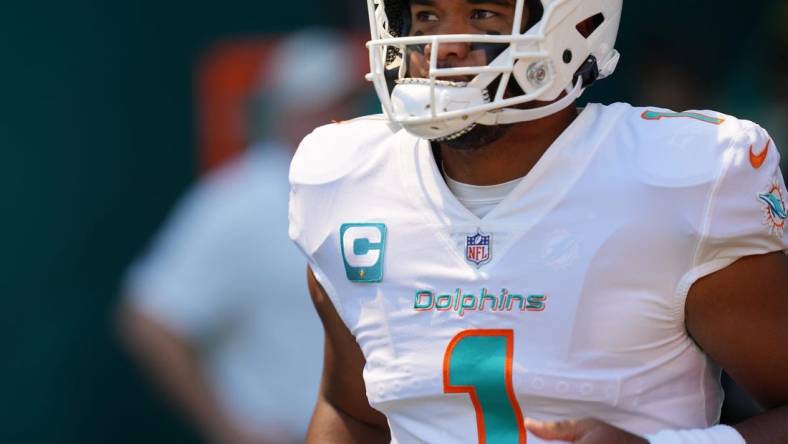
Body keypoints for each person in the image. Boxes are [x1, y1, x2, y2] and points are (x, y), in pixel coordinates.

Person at [288, 1, 788, 443]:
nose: (449, 46)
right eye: (427, 15)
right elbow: (354, 412)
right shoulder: (349, 178)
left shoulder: (680, 182)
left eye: (484, 15)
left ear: (577, 22)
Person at [118, 29, 362, 444]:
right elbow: (149, 319)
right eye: (316, 105)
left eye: (342, 103)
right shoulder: (237, 202)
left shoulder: (377, 191)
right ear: (283, 110)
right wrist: (229, 428)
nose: (332, 118)